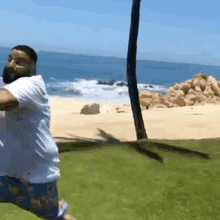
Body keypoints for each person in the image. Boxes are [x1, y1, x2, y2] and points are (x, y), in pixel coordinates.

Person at [0, 45, 77, 220]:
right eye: (10, 59)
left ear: (32, 68)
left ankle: (59, 208)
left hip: (35, 174)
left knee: (55, 216)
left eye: (19, 62)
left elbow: (4, 101)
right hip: (3, 170)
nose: (11, 65)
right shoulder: (5, 83)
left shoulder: (31, 84)